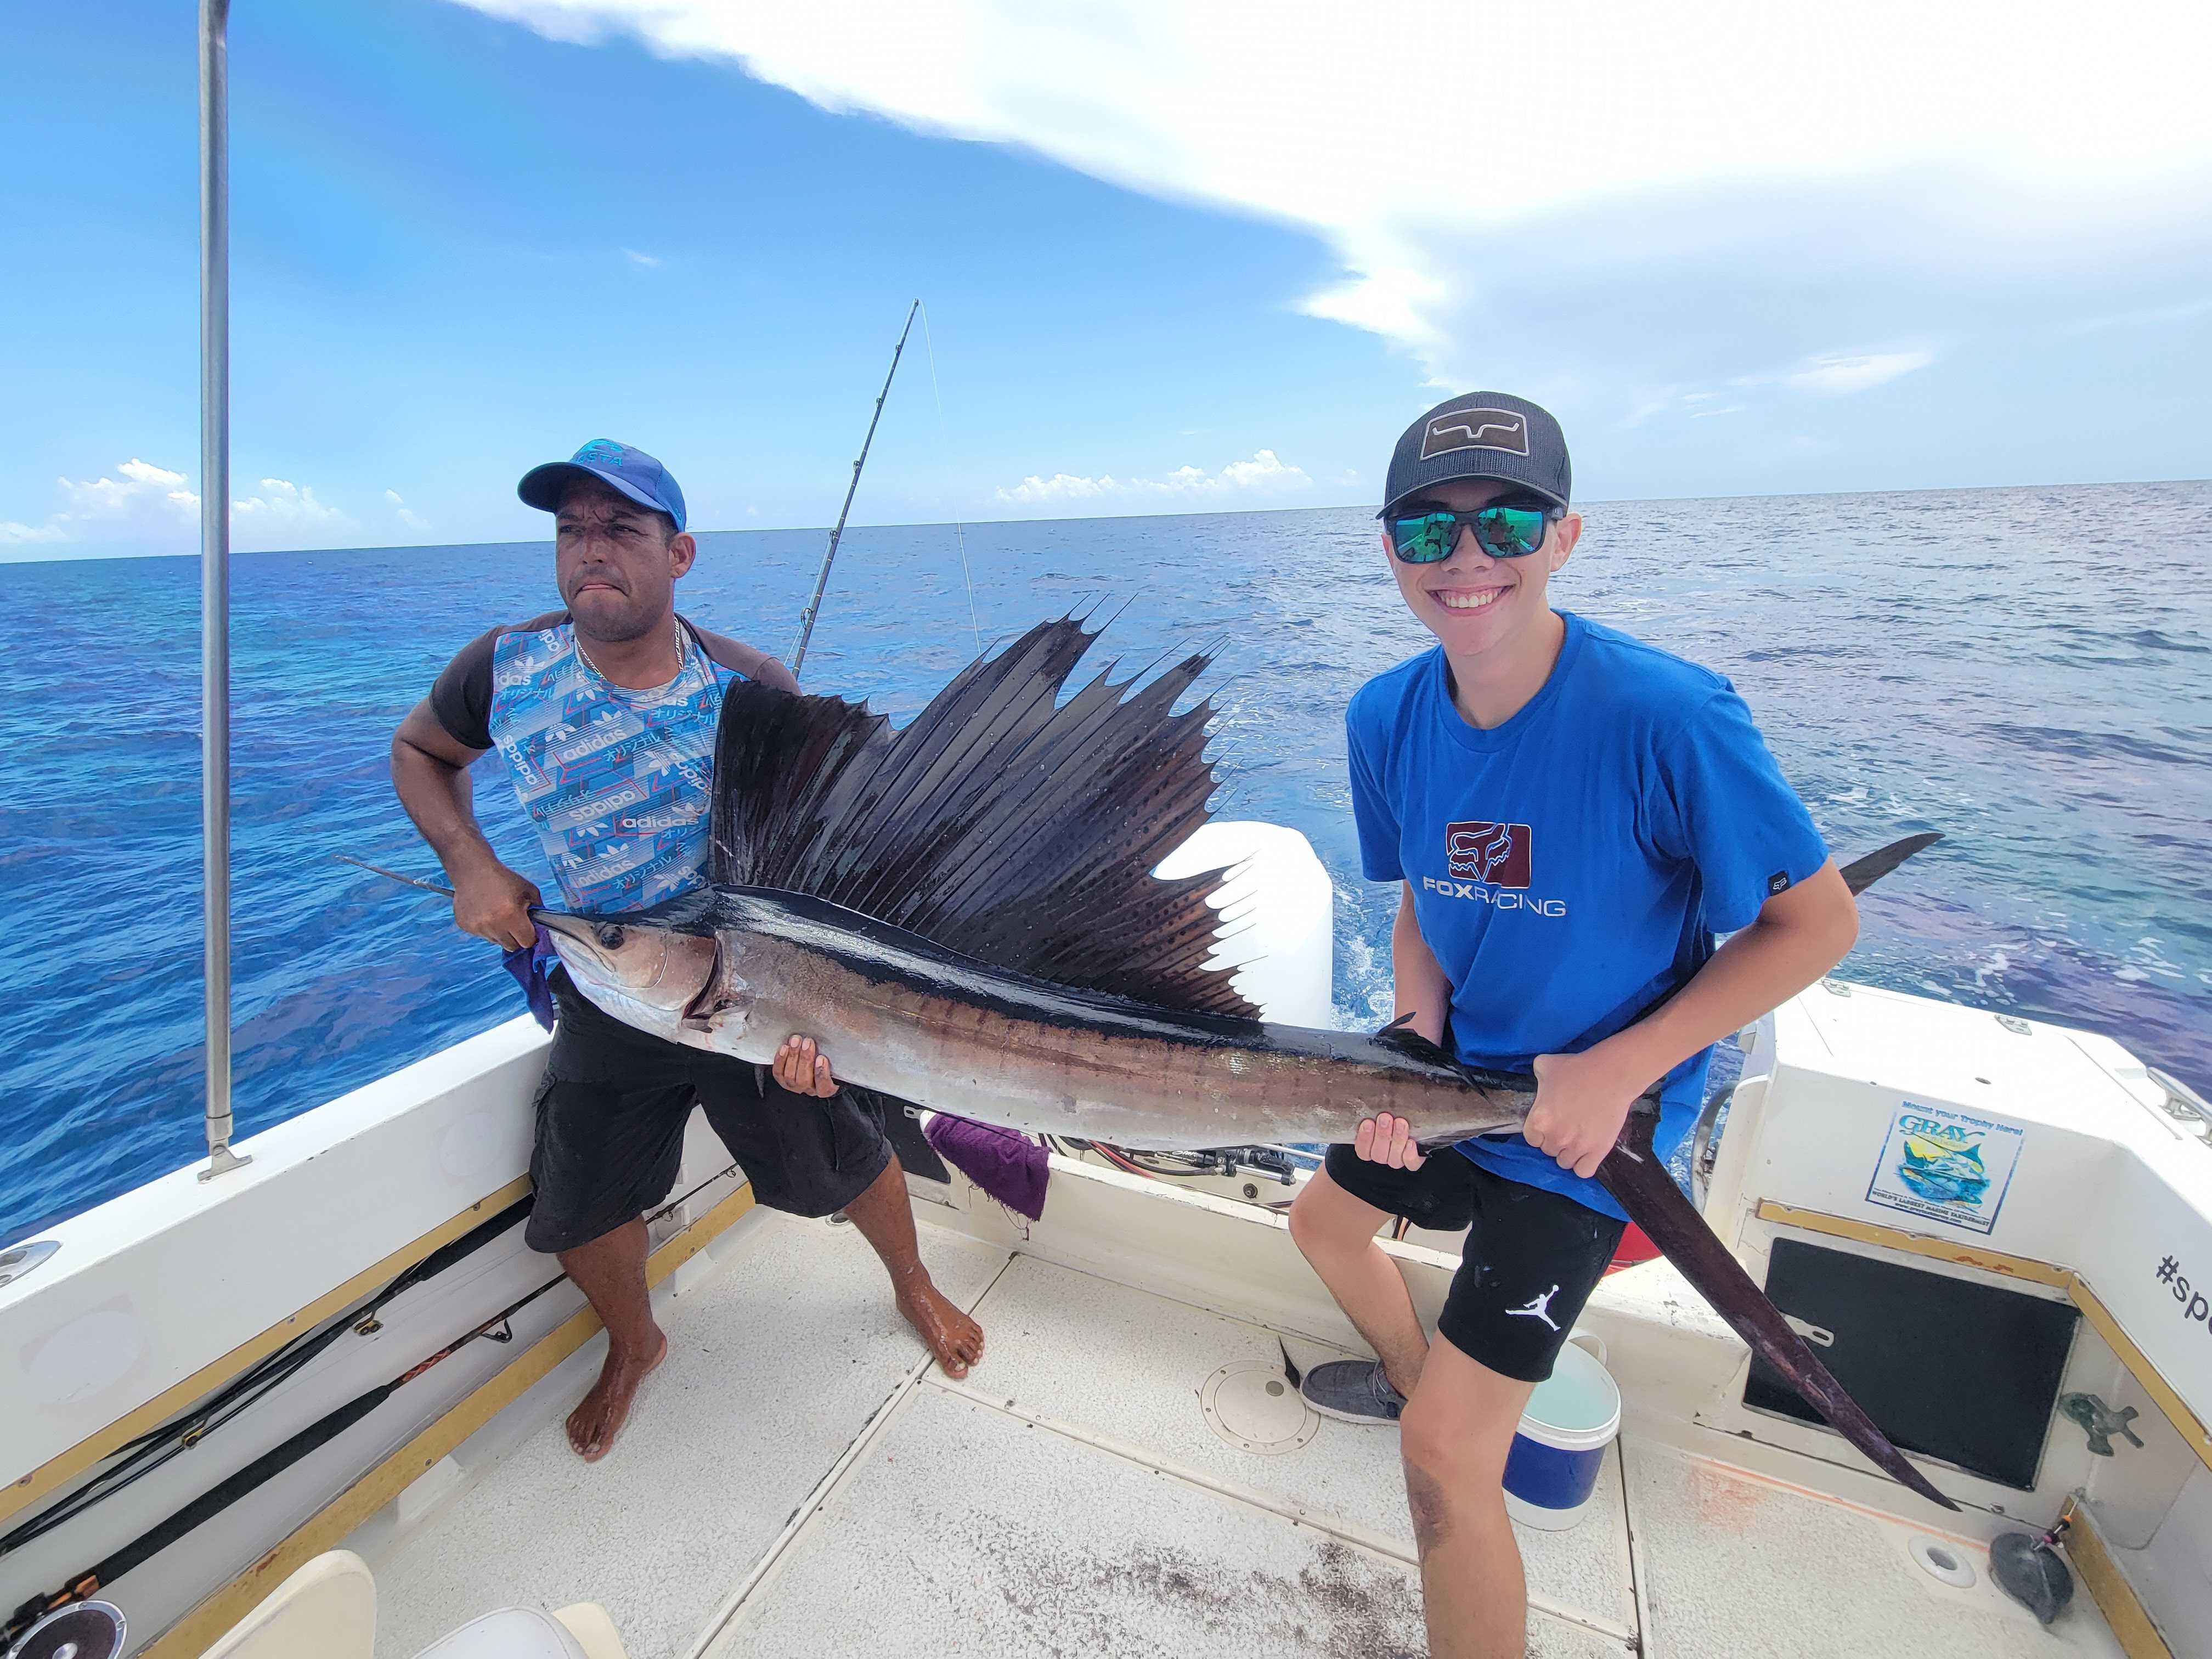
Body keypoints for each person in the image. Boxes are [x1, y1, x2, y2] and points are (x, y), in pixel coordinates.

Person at [1287, 394, 1858, 1658]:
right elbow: (1423, 909)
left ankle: (1430, 1412)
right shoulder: (1384, 715)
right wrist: (1416, 1037)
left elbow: (1816, 927)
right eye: (1427, 531)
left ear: (1566, 535)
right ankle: (1407, 1370)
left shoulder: (1669, 715)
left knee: (1445, 1467)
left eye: (1506, 520)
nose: (1468, 556)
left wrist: (1616, 1070)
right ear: (1389, 549)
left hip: (1606, 1120)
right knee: (1324, 1222)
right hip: (1468, 1085)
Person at [389, 439, 984, 1461]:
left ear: (681, 555)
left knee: (841, 1156)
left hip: (762, 989)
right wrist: (469, 864)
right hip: (613, 986)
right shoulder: (503, 667)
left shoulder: (752, 687)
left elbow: (823, 869)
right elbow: (419, 753)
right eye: (572, 531)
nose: (591, 551)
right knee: (578, 1199)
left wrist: (813, 1016)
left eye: (621, 529)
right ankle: (636, 1340)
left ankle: (916, 1283)